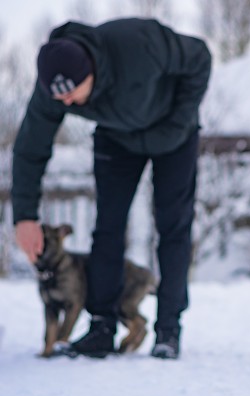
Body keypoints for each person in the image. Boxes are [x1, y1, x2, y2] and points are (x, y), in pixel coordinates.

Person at [12, 18, 212, 359]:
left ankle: (168, 328)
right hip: (117, 139)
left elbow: (200, 58)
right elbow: (31, 148)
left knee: (173, 225)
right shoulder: (56, 88)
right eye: (60, 97)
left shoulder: (140, 43)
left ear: (89, 70)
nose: (69, 103)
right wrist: (25, 217)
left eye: (73, 92)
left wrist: (177, 123)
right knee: (108, 227)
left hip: (174, 135)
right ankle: (102, 325)